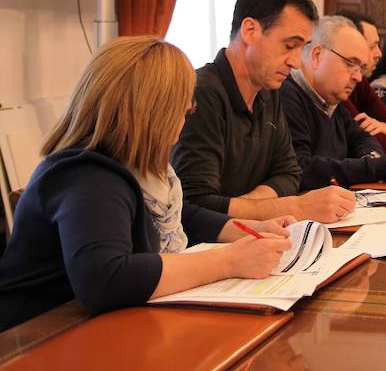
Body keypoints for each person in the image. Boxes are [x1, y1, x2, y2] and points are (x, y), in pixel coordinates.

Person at [0, 37, 294, 331]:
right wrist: (228, 261)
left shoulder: (139, 169)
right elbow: (106, 278)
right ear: (154, 110)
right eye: (184, 108)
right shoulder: (88, 175)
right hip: (35, 338)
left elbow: (182, 218)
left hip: (91, 327)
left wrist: (249, 228)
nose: (189, 111)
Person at [171, 0, 356, 223]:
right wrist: (296, 207)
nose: (296, 62)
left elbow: (289, 174)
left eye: (300, 49)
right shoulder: (201, 93)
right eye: (289, 46)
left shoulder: (269, 91)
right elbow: (195, 204)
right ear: (250, 31)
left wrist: (245, 206)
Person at [280, 15, 386, 189]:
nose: (358, 77)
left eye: (360, 67)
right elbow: (301, 168)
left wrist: (372, 161)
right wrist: (379, 168)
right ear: (317, 55)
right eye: (350, 63)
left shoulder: (331, 98)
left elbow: (362, 138)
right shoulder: (286, 95)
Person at [334, 10, 386, 156]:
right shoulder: (335, 88)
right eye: (372, 47)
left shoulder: (361, 83)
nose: (379, 53)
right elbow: (385, 147)